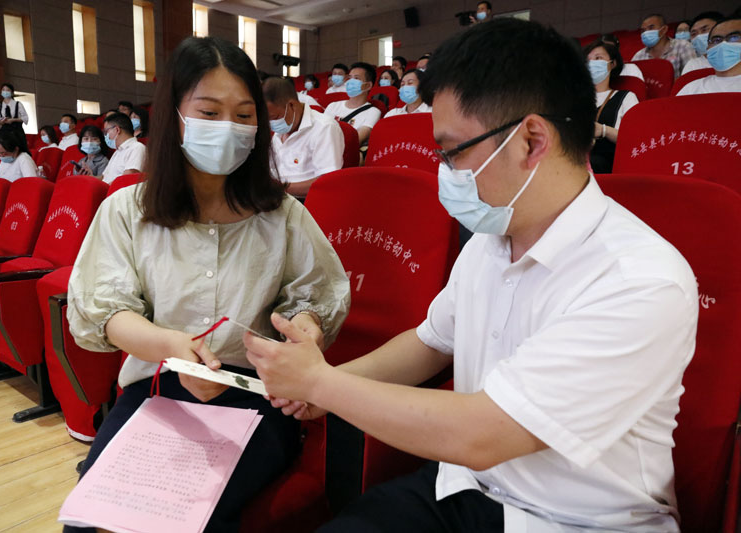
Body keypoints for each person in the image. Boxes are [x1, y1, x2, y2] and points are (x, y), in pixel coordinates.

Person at [245, 18, 698, 533]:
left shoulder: (638, 278)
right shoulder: (492, 238)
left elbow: (486, 434)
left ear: (531, 140)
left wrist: (323, 385)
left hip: (578, 520)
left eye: (453, 151)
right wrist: (321, 385)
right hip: (467, 487)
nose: (443, 170)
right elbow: (430, 343)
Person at [64, 35, 350, 533]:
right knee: (92, 522)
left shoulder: (281, 214)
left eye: (244, 115)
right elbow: (107, 311)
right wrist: (170, 346)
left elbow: (313, 295)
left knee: (186, 520)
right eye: (210, 113)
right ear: (174, 116)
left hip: (255, 394)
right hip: (158, 386)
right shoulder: (127, 210)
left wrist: (305, 329)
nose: (228, 128)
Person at [263, 77, 344, 198]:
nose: (272, 124)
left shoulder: (324, 128)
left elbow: (327, 181)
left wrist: (279, 188)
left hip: (306, 200)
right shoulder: (283, 127)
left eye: (274, 118)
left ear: (292, 105)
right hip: (278, 196)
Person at [585, 40, 638, 173]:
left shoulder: (626, 97)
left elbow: (635, 139)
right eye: (588, 60)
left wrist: (604, 130)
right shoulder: (575, 99)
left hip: (606, 164)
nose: (591, 63)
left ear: (612, 64)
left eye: (598, 58)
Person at [677, 17, 741, 95]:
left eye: (734, 37)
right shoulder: (691, 88)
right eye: (716, 40)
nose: (723, 44)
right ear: (708, 48)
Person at [324, 62, 382, 146]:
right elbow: (321, 132)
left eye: (356, 78)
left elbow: (356, 140)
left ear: (368, 85)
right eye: (350, 78)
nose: (350, 81)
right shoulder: (332, 106)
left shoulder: (373, 112)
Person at [632, 13, 696, 77]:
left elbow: (692, 76)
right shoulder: (638, 56)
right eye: (643, 30)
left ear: (664, 29)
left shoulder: (683, 46)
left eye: (651, 28)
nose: (646, 33)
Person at [100, 112, 146, 184]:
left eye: (107, 131)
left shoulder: (137, 148)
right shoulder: (118, 151)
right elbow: (104, 177)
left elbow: (126, 180)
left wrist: (103, 189)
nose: (106, 136)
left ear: (117, 130)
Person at [0, 82, 28, 147]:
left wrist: (13, 120)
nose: (5, 92)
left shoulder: (18, 104)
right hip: (4, 133)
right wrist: (1, 122)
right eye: (3, 90)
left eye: (7, 90)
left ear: (12, 93)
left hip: (17, 132)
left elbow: (25, 118)